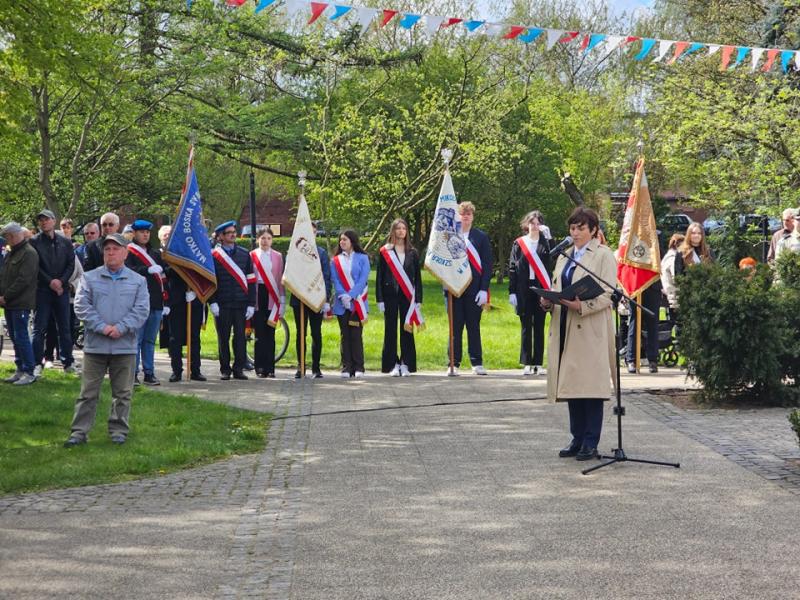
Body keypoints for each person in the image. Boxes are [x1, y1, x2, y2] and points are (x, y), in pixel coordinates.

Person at [541, 207, 617, 462]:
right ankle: (577, 437)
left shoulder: (604, 255)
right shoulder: (565, 255)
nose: (575, 233)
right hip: (565, 325)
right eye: (572, 228)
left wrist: (582, 306)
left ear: (594, 229)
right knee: (573, 385)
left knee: (589, 387)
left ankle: (590, 441)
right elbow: (557, 285)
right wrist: (548, 301)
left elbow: (608, 294)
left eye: (581, 228)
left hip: (589, 328)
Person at [64, 233, 150, 447]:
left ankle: (119, 431)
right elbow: (82, 307)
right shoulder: (89, 278)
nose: (110, 253)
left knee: (122, 393)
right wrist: (103, 328)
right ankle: (79, 433)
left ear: (125, 253)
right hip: (96, 346)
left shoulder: (138, 281)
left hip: (125, 346)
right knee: (88, 393)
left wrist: (120, 328)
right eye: (107, 249)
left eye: (116, 249)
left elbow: (141, 310)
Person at [30, 209, 77, 376]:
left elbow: (71, 264)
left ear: (53, 221)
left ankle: (67, 362)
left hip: (61, 291)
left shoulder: (65, 242)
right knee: (39, 327)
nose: (43, 222)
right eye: (41, 220)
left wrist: (61, 281)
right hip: (43, 290)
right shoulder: (34, 242)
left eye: (46, 219)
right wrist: (50, 281)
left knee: (64, 327)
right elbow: (35, 266)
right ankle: (36, 362)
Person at [448, 201, 493, 375]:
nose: (465, 216)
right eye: (462, 213)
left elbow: (487, 265)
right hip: (454, 288)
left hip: (474, 290)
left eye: (469, 213)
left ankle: (476, 362)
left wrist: (484, 289)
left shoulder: (480, 237)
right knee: (455, 327)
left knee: (473, 326)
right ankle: (453, 363)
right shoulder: (450, 236)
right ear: (458, 216)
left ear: (473, 217)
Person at [209, 221, 256, 380]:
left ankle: (239, 368)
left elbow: (251, 280)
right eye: (229, 232)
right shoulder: (213, 256)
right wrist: (212, 301)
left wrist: (251, 303)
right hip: (222, 303)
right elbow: (211, 281)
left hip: (241, 303)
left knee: (240, 338)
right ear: (221, 236)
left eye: (234, 231)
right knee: (223, 337)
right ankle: (225, 369)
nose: (233, 234)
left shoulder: (244, 254)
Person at [376, 218, 422, 376]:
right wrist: (380, 299)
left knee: (407, 329)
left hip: (407, 296)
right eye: (398, 228)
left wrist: (418, 300)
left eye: (404, 228)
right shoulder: (385, 251)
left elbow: (418, 278)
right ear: (393, 231)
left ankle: (406, 363)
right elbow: (379, 277)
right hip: (389, 296)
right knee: (390, 330)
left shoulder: (413, 252)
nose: (401, 231)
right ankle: (392, 364)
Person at [508, 210, 552, 376]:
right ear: (527, 224)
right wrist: (512, 291)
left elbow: (552, 260)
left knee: (539, 326)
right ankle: (526, 362)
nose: (535, 226)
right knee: (526, 326)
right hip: (523, 289)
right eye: (532, 223)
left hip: (541, 288)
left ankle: (538, 362)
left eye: (538, 223)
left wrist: (550, 239)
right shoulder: (519, 243)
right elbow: (513, 268)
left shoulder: (545, 242)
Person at [125, 219, 168, 386]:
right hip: (138, 303)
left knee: (150, 340)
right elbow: (128, 270)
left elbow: (164, 276)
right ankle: (133, 373)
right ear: (134, 233)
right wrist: (146, 270)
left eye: (147, 232)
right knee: (136, 339)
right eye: (142, 232)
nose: (145, 235)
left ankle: (149, 372)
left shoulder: (156, 254)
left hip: (156, 302)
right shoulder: (129, 251)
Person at [290, 221, 331, 379]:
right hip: (299, 298)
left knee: (316, 333)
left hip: (316, 298)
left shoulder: (321, 253)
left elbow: (326, 276)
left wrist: (325, 299)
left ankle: (316, 367)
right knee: (301, 333)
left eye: (313, 232)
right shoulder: (295, 253)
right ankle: (301, 367)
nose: (311, 235)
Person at [0, 222, 40, 385]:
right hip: (10, 302)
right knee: (16, 337)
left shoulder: (29, 253)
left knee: (21, 336)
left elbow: (24, 280)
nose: (6, 240)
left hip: (20, 302)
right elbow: (5, 276)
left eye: (8, 237)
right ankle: (20, 368)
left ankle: (29, 371)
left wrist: (6, 296)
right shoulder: (13, 252)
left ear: (14, 235)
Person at [331, 230, 370, 378]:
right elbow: (335, 280)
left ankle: (359, 367)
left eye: (345, 240)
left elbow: (363, 279)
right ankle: (346, 367)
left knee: (356, 335)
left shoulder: (363, 258)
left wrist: (352, 296)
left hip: (358, 303)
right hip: (342, 304)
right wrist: (343, 297)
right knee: (345, 335)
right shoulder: (335, 260)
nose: (342, 242)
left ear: (352, 241)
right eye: (340, 240)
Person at [250, 228, 285, 378]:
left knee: (270, 333)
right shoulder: (251, 255)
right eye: (263, 238)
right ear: (258, 239)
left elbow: (280, 279)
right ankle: (259, 367)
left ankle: (270, 368)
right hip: (258, 295)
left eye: (268, 238)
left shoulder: (278, 256)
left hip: (273, 297)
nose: (265, 241)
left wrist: (282, 300)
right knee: (259, 333)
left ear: (272, 240)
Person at [660, 233, 684, 324]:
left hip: (670, 295)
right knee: (680, 324)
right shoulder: (673, 258)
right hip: (675, 296)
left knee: (676, 322)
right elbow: (676, 277)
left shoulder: (666, 257)